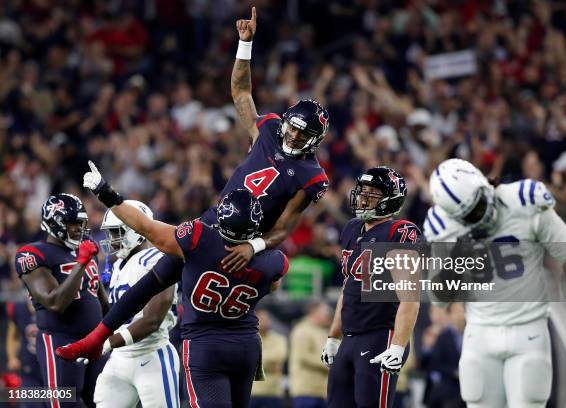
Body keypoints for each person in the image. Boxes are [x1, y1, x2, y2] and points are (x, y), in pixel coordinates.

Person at [55, 179, 289, 408]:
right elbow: (274, 282)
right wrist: (256, 246)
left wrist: (105, 192)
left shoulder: (198, 239)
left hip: (202, 346)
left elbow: (147, 228)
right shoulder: (272, 262)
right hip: (245, 346)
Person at [424, 158, 566, 408]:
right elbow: (439, 297)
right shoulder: (445, 230)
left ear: (485, 183)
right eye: (470, 214)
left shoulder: (523, 201)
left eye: (480, 203)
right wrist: (457, 258)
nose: (481, 215)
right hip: (480, 334)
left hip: (528, 329)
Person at [219, 6, 330, 273]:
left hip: (249, 245)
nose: (294, 135)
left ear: (316, 139)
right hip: (218, 220)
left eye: (303, 133)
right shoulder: (267, 129)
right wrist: (245, 44)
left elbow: (283, 228)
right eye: (292, 128)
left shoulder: (311, 175)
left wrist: (253, 246)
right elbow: (241, 92)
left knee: (273, 272)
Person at [321, 166, 421, 408]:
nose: (364, 196)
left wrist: (398, 346)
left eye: (373, 192)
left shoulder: (399, 232)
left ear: (391, 198)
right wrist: (334, 336)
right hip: (351, 338)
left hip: (379, 336)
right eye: (363, 190)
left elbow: (410, 296)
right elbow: (349, 287)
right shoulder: (352, 229)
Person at [14, 193, 108, 407]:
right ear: (52, 222)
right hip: (61, 340)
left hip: (94, 341)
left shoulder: (82, 251)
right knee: (66, 403)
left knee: (105, 401)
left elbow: (103, 303)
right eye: (71, 222)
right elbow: (55, 303)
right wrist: (82, 262)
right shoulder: (32, 254)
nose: (78, 228)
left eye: (80, 222)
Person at [93, 201, 180, 408]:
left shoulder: (155, 258)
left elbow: (152, 320)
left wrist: (106, 342)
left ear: (135, 231)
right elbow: (115, 316)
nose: (111, 240)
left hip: (152, 356)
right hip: (119, 358)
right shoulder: (117, 266)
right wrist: (95, 288)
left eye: (115, 232)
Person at [290, 302, 332, 408]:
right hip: (306, 391)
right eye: (325, 313)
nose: (328, 316)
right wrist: (330, 364)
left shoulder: (324, 331)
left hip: (322, 392)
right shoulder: (302, 329)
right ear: (314, 312)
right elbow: (304, 356)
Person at [5, 298, 45, 408]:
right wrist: (12, 357)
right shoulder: (19, 308)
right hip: (29, 368)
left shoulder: (54, 307)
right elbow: (13, 335)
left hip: (52, 366)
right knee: (32, 404)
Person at [250, 309, 287, 408]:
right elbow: (246, 359)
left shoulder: (279, 339)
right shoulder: (248, 339)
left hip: (273, 392)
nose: (265, 321)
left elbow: (280, 356)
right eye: (261, 319)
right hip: (252, 392)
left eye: (266, 319)